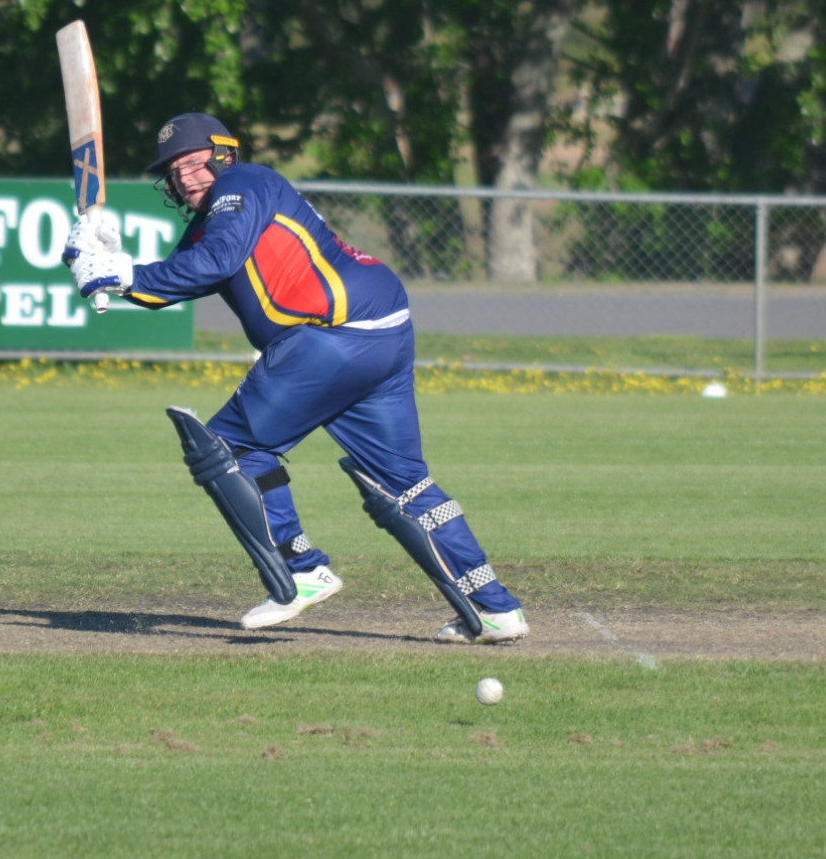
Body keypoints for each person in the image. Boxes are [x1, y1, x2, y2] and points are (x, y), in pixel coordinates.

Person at [61, 112, 527, 643]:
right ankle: (495, 609)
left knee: (227, 450)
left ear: (223, 154)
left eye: (193, 163)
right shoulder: (221, 212)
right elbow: (168, 285)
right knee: (403, 484)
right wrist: (102, 263)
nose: (185, 178)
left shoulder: (244, 183)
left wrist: (120, 273)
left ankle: (301, 569)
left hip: (336, 333)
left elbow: (216, 262)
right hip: (381, 331)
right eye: (174, 171)